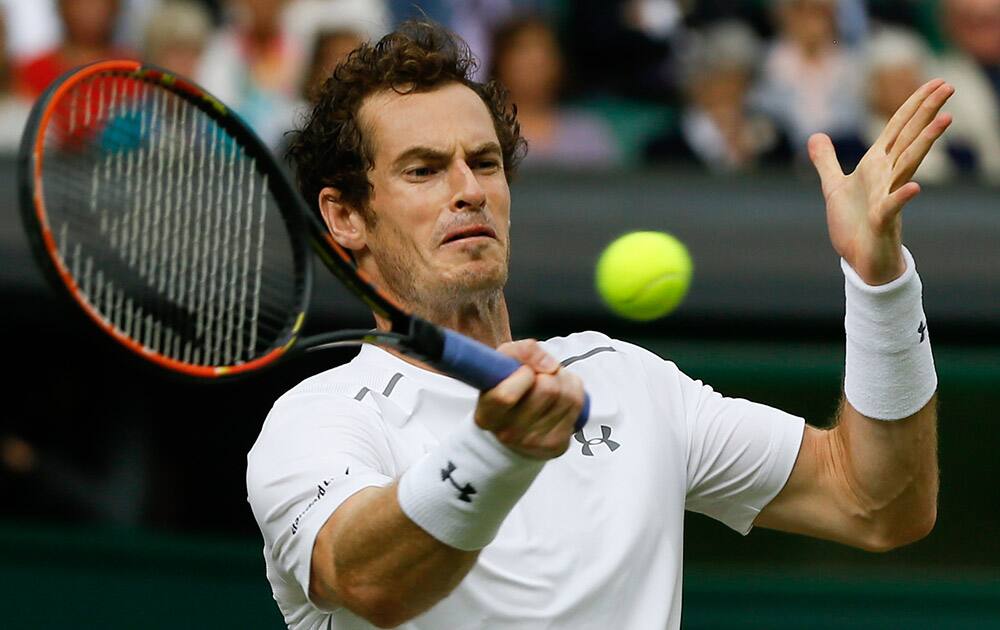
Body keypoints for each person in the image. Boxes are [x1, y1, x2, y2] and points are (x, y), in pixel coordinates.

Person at [247, 21, 945, 629]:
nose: (468, 190)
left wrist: (881, 284)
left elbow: (877, 503)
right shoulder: (318, 419)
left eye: (484, 163)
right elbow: (368, 581)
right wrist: (497, 450)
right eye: (423, 170)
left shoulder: (625, 379)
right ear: (343, 216)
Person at [644, 21, 791, 172]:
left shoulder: (774, 140)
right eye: (720, 80)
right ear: (695, 86)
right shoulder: (664, 148)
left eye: (739, 81)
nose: (729, 91)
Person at [488, 15, 620, 169]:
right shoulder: (485, 130)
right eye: (522, 50)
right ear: (500, 62)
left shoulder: (587, 131)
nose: (534, 61)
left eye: (543, 52)